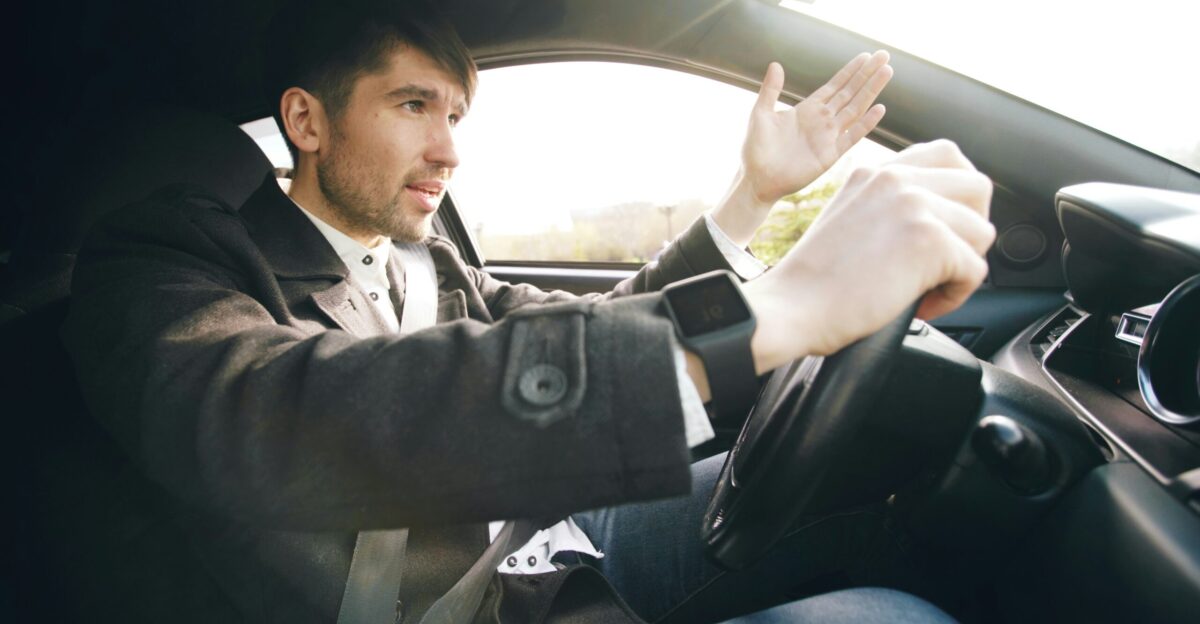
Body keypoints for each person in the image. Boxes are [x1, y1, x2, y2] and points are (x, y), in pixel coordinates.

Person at [62, 1, 993, 622]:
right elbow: (281, 416)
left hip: (538, 559)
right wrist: (775, 313)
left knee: (889, 499)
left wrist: (751, 199)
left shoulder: (429, 267)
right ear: (307, 123)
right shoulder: (162, 264)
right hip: (466, 602)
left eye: (456, 116)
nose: (447, 149)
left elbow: (611, 323)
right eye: (414, 105)